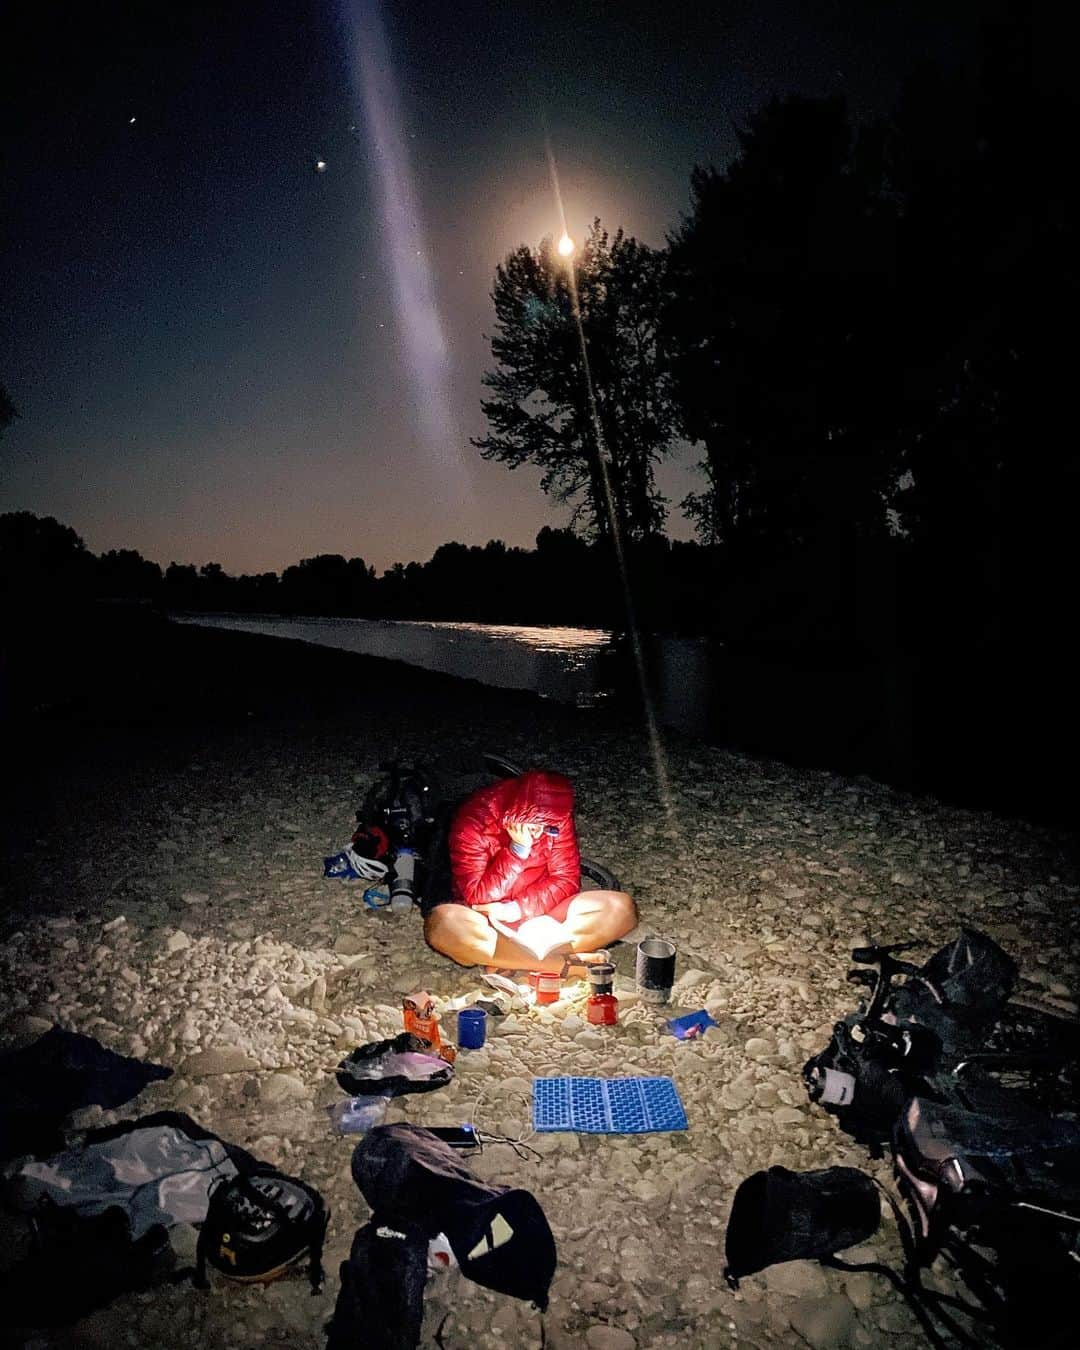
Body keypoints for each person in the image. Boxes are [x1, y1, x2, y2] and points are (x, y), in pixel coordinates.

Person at [423, 768, 637, 974]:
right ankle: (559, 965)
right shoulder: (474, 822)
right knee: (442, 925)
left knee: (621, 908)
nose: (539, 835)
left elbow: (566, 880)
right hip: (487, 921)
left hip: (542, 916)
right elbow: (477, 896)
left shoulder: (556, 819)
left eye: (547, 829)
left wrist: (518, 909)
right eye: (534, 827)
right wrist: (517, 852)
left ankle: (509, 961)